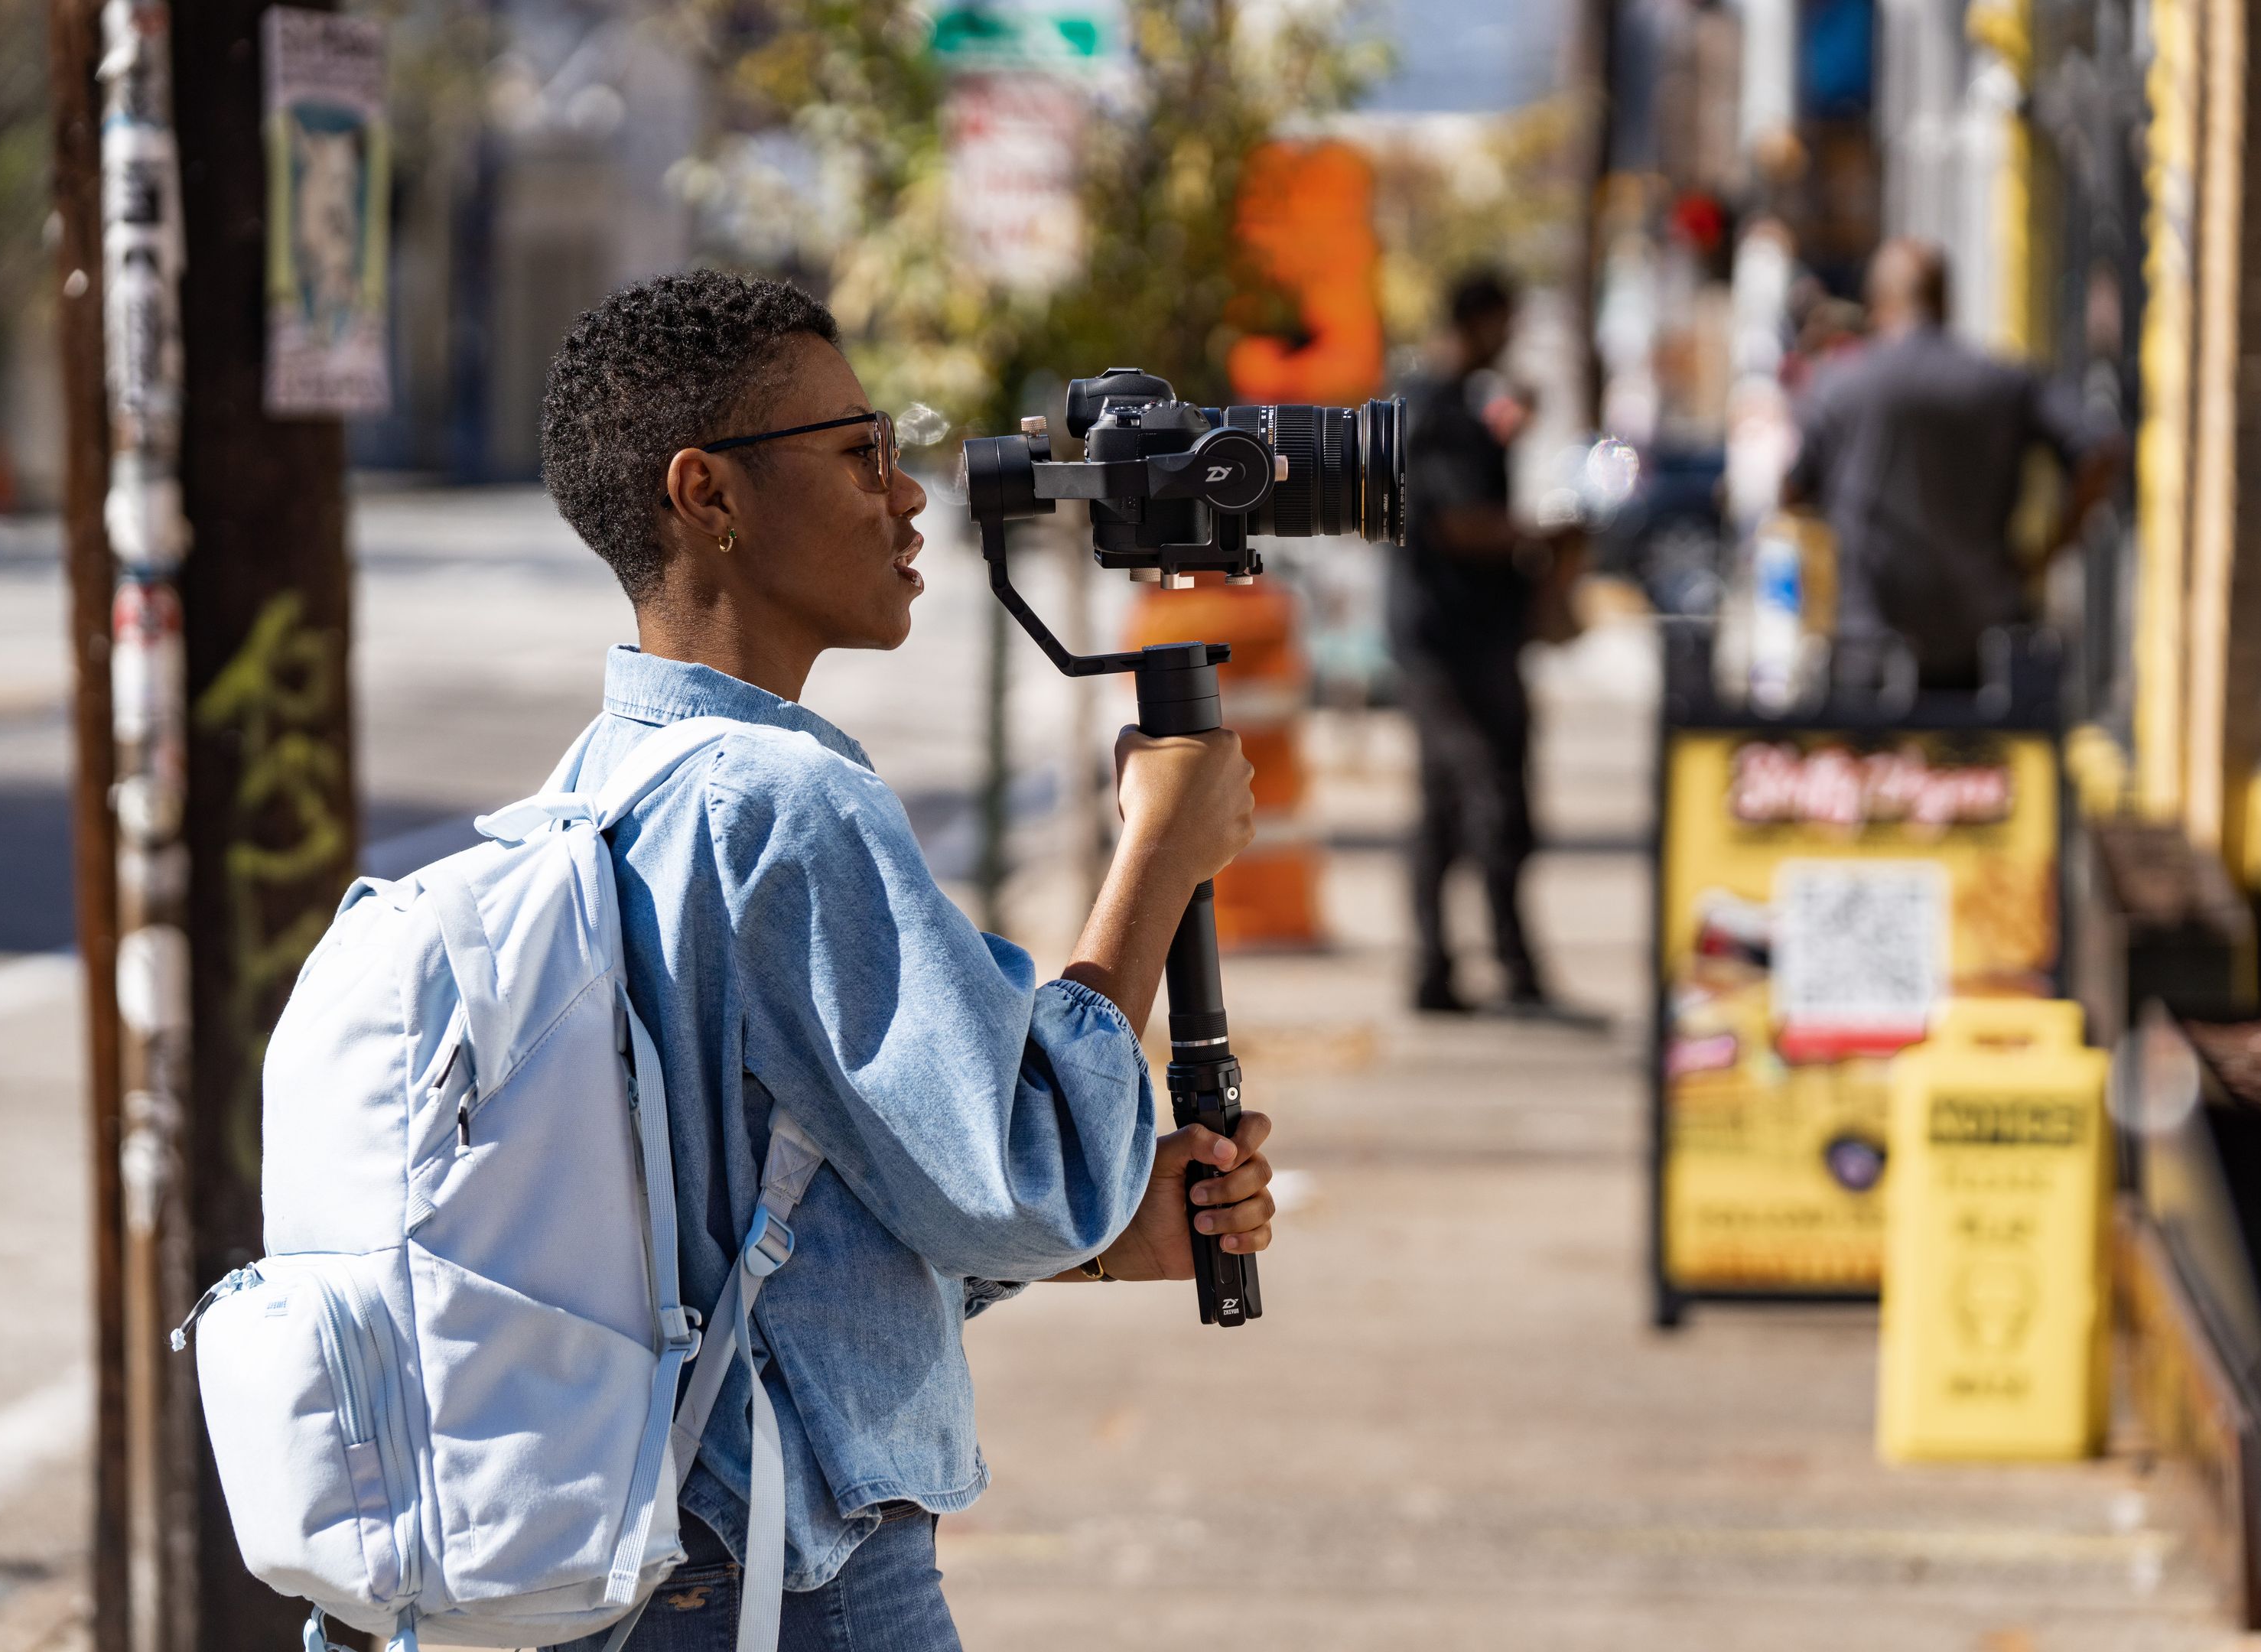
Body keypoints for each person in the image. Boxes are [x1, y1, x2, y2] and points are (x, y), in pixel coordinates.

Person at [535, 270, 1276, 1650]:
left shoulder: (604, 780)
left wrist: (1105, 1246)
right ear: (708, 495)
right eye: (857, 453)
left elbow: (763, 1229)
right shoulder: (782, 805)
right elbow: (1027, 1174)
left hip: (640, 1573)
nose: (909, 494)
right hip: (795, 1585)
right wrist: (1160, 856)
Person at [1391, 270, 1599, 1023]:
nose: (1509, 339)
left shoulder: (1454, 405)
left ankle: (1443, 971)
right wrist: (1543, 534)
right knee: (1487, 800)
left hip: (1461, 635)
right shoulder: (1435, 410)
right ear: (1479, 320)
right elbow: (1459, 522)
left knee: (1451, 805)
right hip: (1451, 640)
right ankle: (1500, 968)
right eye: (1505, 322)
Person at [1786, 237, 2119, 689]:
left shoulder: (1837, 385)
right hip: (1983, 650)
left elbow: (1792, 491)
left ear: (1877, 304)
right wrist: (2049, 551)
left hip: (1869, 649)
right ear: (1945, 301)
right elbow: (2100, 452)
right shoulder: (2002, 381)